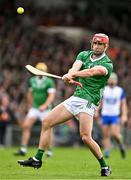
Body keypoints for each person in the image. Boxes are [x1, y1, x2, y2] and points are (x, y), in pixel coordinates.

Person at [18, 33, 113, 177]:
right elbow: (75, 67)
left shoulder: (107, 64)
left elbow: (92, 71)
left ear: (106, 46)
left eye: (101, 44)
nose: (97, 46)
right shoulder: (83, 55)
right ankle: (37, 159)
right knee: (47, 122)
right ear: (92, 43)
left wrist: (74, 75)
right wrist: (69, 75)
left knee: (85, 137)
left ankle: (104, 166)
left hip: (88, 101)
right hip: (76, 98)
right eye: (95, 43)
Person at [14, 62, 56, 157]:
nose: (41, 73)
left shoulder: (49, 81)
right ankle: (23, 148)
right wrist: (30, 105)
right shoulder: (32, 80)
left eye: (42, 71)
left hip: (45, 109)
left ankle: (49, 149)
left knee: (48, 129)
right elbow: (30, 93)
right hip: (35, 108)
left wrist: (45, 105)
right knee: (26, 125)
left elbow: (51, 96)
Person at [99, 72, 128, 158]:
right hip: (105, 114)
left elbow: (123, 104)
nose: (112, 81)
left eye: (113, 79)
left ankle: (121, 145)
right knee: (106, 135)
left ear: (116, 81)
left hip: (115, 115)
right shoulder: (104, 89)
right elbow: (100, 102)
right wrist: (96, 110)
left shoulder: (120, 91)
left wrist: (124, 115)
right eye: (110, 79)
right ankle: (107, 151)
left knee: (115, 134)